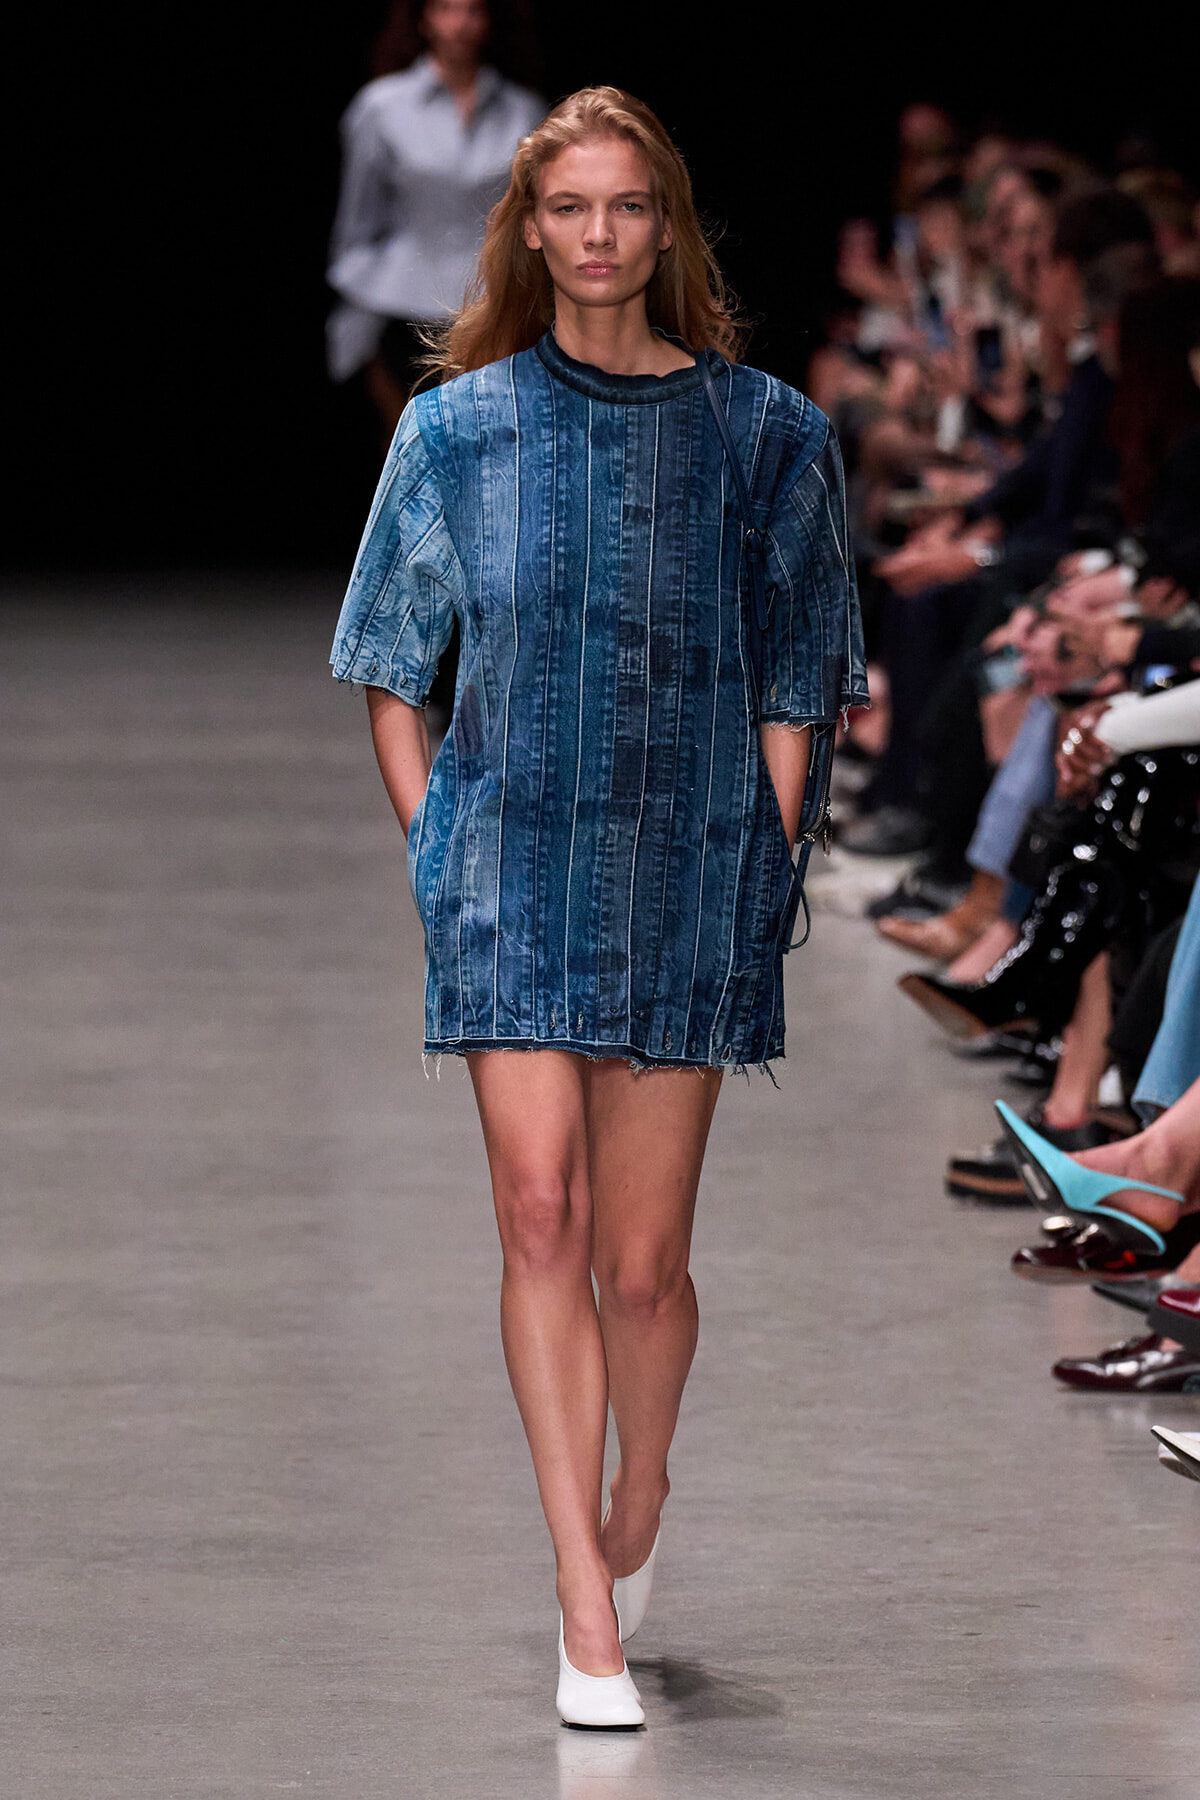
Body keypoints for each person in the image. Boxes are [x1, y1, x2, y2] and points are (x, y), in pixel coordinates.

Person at [329, 87, 866, 1727]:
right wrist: (439, 848)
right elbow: (388, 664)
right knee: (540, 1221)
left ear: (668, 226)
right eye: (571, 207)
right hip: (511, 870)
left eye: (631, 207)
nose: (601, 235)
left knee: (643, 1270)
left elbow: (804, 667)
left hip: (691, 865)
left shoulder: (766, 432)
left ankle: (641, 1490)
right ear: (530, 228)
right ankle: (585, 1601)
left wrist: (765, 853)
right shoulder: (453, 431)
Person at [326, 0, 544, 437]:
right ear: (423, 18)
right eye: (446, 8)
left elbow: (534, 218)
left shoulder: (524, 111)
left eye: (473, 10)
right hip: (398, 311)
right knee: (408, 458)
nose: (460, 24)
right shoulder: (380, 108)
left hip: (494, 306)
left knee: (491, 452)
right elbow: (357, 224)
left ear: (489, 20)